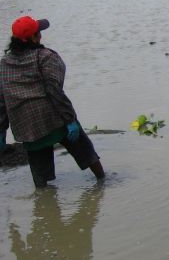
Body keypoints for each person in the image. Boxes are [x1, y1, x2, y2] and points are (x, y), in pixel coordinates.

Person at [0, 16, 105, 188]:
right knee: (86, 151)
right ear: (34, 38)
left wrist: (1, 129)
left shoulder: (4, 64)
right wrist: (70, 120)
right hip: (54, 121)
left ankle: (44, 203)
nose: (41, 35)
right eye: (38, 32)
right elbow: (55, 91)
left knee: (41, 179)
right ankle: (103, 182)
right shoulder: (45, 57)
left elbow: (2, 100)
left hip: (27, 128)